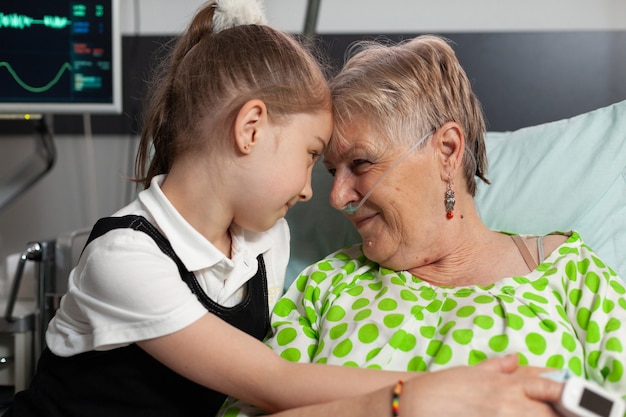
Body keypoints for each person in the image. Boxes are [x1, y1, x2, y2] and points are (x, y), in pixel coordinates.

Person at [5, 3, 564, 416]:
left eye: (354, 165)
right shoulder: (122, 257)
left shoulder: (265, 245)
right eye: (313, 158)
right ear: (250, 129)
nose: (314, 193)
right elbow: (273, 381)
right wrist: (426, 395)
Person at [219, 34, 626, 416]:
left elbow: (612, 404)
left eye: (360, 163)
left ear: (447, 150)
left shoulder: (570, 274)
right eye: (331, 170)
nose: (337, 196)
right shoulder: (325, 286)